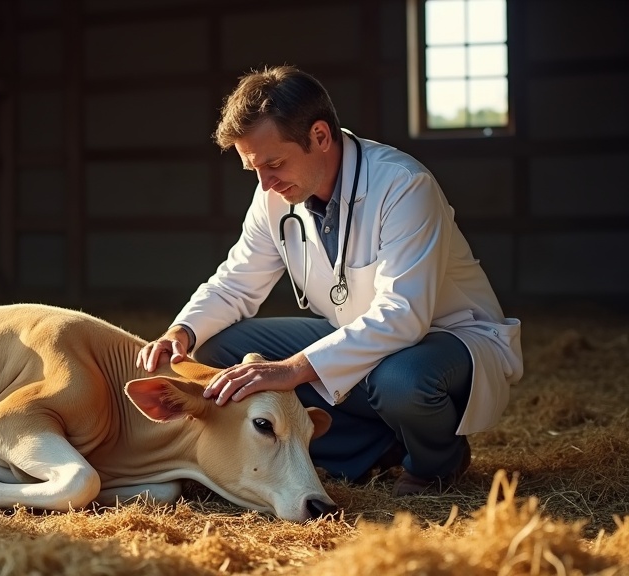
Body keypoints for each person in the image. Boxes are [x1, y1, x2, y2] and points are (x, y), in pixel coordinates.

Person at [136, 65, 523, 497]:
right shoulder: (275, 194)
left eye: (275, 163)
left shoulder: (403, 185)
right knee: (216, 352)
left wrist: (292, 370)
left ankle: (437, 462)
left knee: (401, 380)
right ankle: (377, 445)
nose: (265, 183)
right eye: (254, 169)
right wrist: (181, 330)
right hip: (354, 335)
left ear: (320, 136)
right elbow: (237, 280)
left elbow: (404, 315)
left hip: (445, 339)